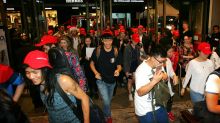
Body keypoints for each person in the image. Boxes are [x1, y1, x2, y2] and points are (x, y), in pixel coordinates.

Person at [23, 50, 90, 123]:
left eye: (35, 72)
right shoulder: (39, 83)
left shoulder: (63, 81)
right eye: (27, 72)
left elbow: (84, 98)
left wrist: (87, 121)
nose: (31, 76)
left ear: (45, 70)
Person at [90, 32, 122, 123]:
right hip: (101, 80)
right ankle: (107, 117)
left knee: (108, 101)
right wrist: (96, 72)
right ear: (102, 41)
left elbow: (119, 65)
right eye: (105, 41)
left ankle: (105, 113)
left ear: (112, 41)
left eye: (109, 41)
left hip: (112, 81)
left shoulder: (116, 50)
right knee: (106, 101)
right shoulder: (98, 50)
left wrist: (118, 70)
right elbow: (91, 63)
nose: (107, 43)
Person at [134, 45, 169, 123]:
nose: (162, 64)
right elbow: (140, 92)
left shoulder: (158, 64)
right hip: (145, 109)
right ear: (153, 58)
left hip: (159, 102)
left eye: (164, 61)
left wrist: (164, 76)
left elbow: (166, 77)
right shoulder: (141, 70)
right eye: (161, 61)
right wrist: (154, 81)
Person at [123, 33, 141, 101]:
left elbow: (138, 57)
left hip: (136, 66)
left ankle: (135, 91)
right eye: (135, 40)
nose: (136, 42)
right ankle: (130, 94)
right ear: (132, 40)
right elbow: (125, 59)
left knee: (136, 80)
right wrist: (126, 70)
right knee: (130, 81)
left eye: (137, 40)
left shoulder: (137, 47)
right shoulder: (127, 47)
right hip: (130, 66)